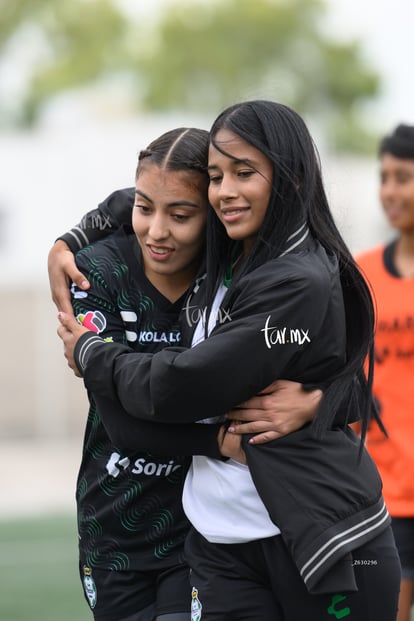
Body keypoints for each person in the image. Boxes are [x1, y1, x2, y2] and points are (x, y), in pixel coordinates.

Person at [57, 100, 401, 620]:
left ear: (291, 178)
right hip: (209, 541)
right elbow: (160, 193)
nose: (226, 191)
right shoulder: (225, 243)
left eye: (244, 173)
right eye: (218, 177)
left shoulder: (296, 278)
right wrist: (73, 237)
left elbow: (185, 384)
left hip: (315, 535)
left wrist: (90, 353)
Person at [355, 124, 414, 621]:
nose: (390, 191)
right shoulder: (362, 274)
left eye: (404, 177)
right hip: (382, 496)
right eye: (384, 177)